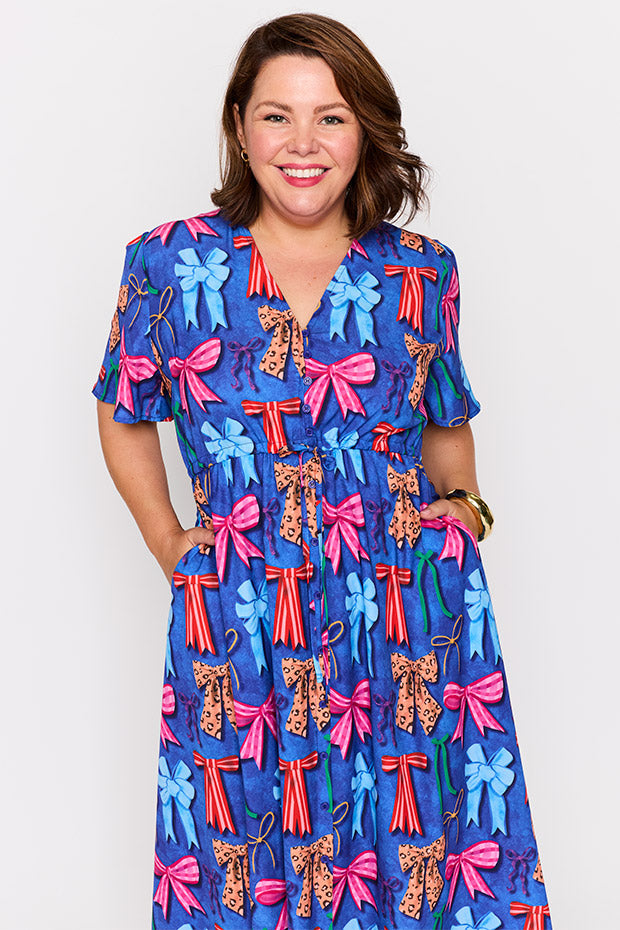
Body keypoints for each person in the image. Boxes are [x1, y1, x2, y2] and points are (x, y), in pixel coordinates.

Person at [94, 13, 552, 929]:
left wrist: (465, 514)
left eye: (331, 118)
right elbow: (122, 406)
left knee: (420, 854)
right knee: (243, 853)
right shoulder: (169, 262)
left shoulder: (421, 272)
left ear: (365, 131)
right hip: (241, 612)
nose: (303, 143)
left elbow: (446, 422)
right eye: (277, 116)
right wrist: (171, 543)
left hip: (404, 612)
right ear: (239, 127)